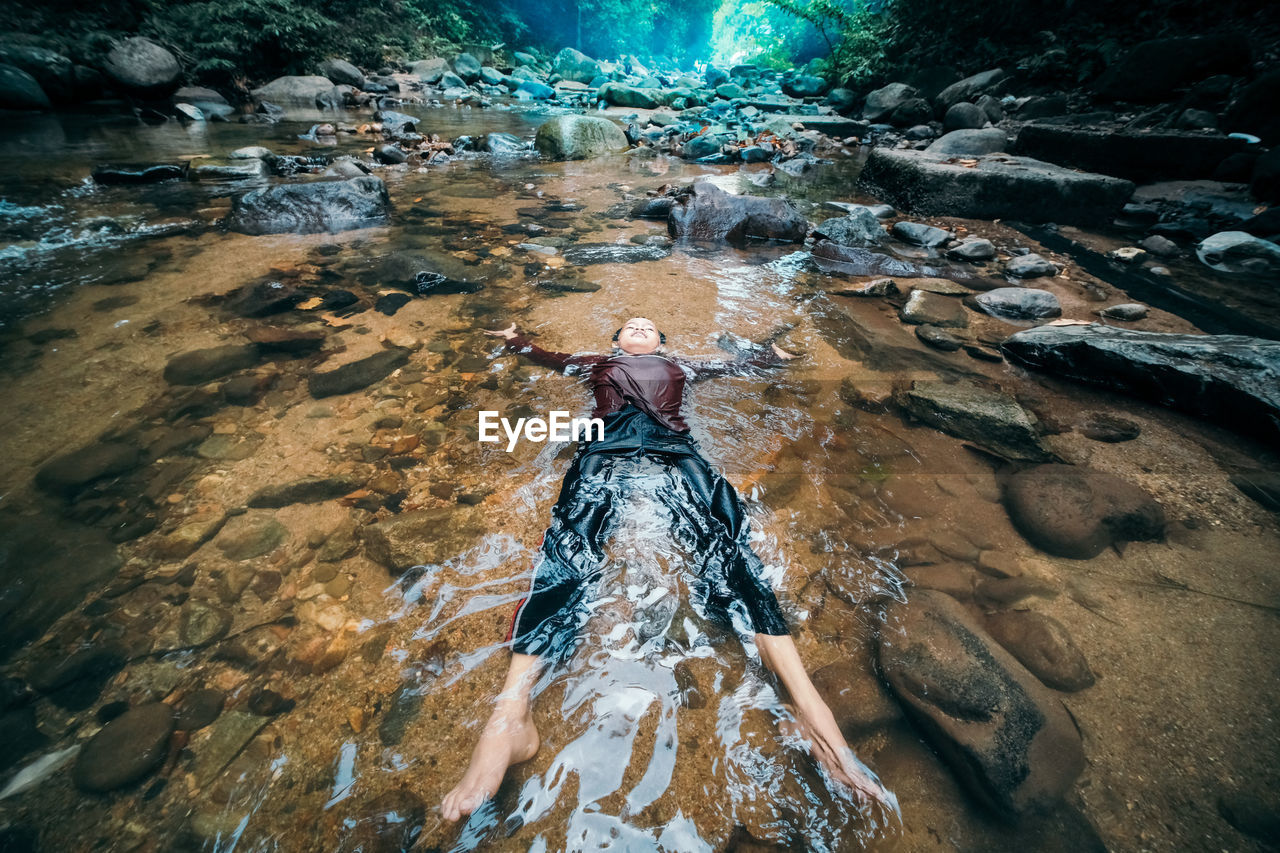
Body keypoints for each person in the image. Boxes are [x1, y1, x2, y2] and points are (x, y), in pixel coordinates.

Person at [441, 318, 893, 822]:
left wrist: (774, 357)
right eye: (630, 327)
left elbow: (738, 365)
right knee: (570, 546)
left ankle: (808, 707)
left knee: (729, 547)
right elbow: (545, 356)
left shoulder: (682, 367)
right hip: (601, 452)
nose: (639, 328)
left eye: (648, 327)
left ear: (662, 344)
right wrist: (516, 340)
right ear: (615, 343)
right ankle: (511, 716)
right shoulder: (597, 364)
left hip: (678, 454)